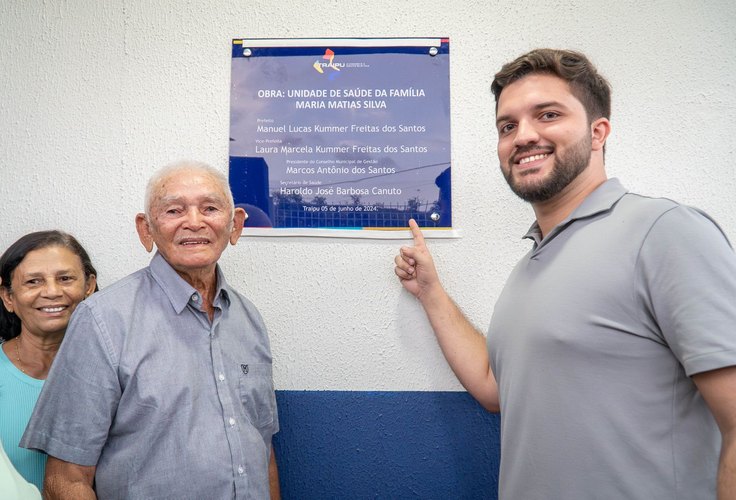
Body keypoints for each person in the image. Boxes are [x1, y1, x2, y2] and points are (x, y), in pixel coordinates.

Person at [394, 49, 736, 499]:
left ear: (599, 132)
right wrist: (431, 293)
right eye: (507, 126)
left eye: (548, 114)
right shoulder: (530, 265)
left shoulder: (663, 231)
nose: (523, 136)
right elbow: (495, 388)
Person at [21, 161, 280, 499]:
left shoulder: (249, 319)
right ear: (146, 230)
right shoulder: (102, 320)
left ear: (235, 225)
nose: (194, 222)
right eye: (173, 210)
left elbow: (263, 451)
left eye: (210, 208)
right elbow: (66, 480)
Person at [0, 231, 97, 492]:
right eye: (33, 281)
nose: (52, 292)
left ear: (88, 286)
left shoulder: (115, 372)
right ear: (8, 297)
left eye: (65, 278)